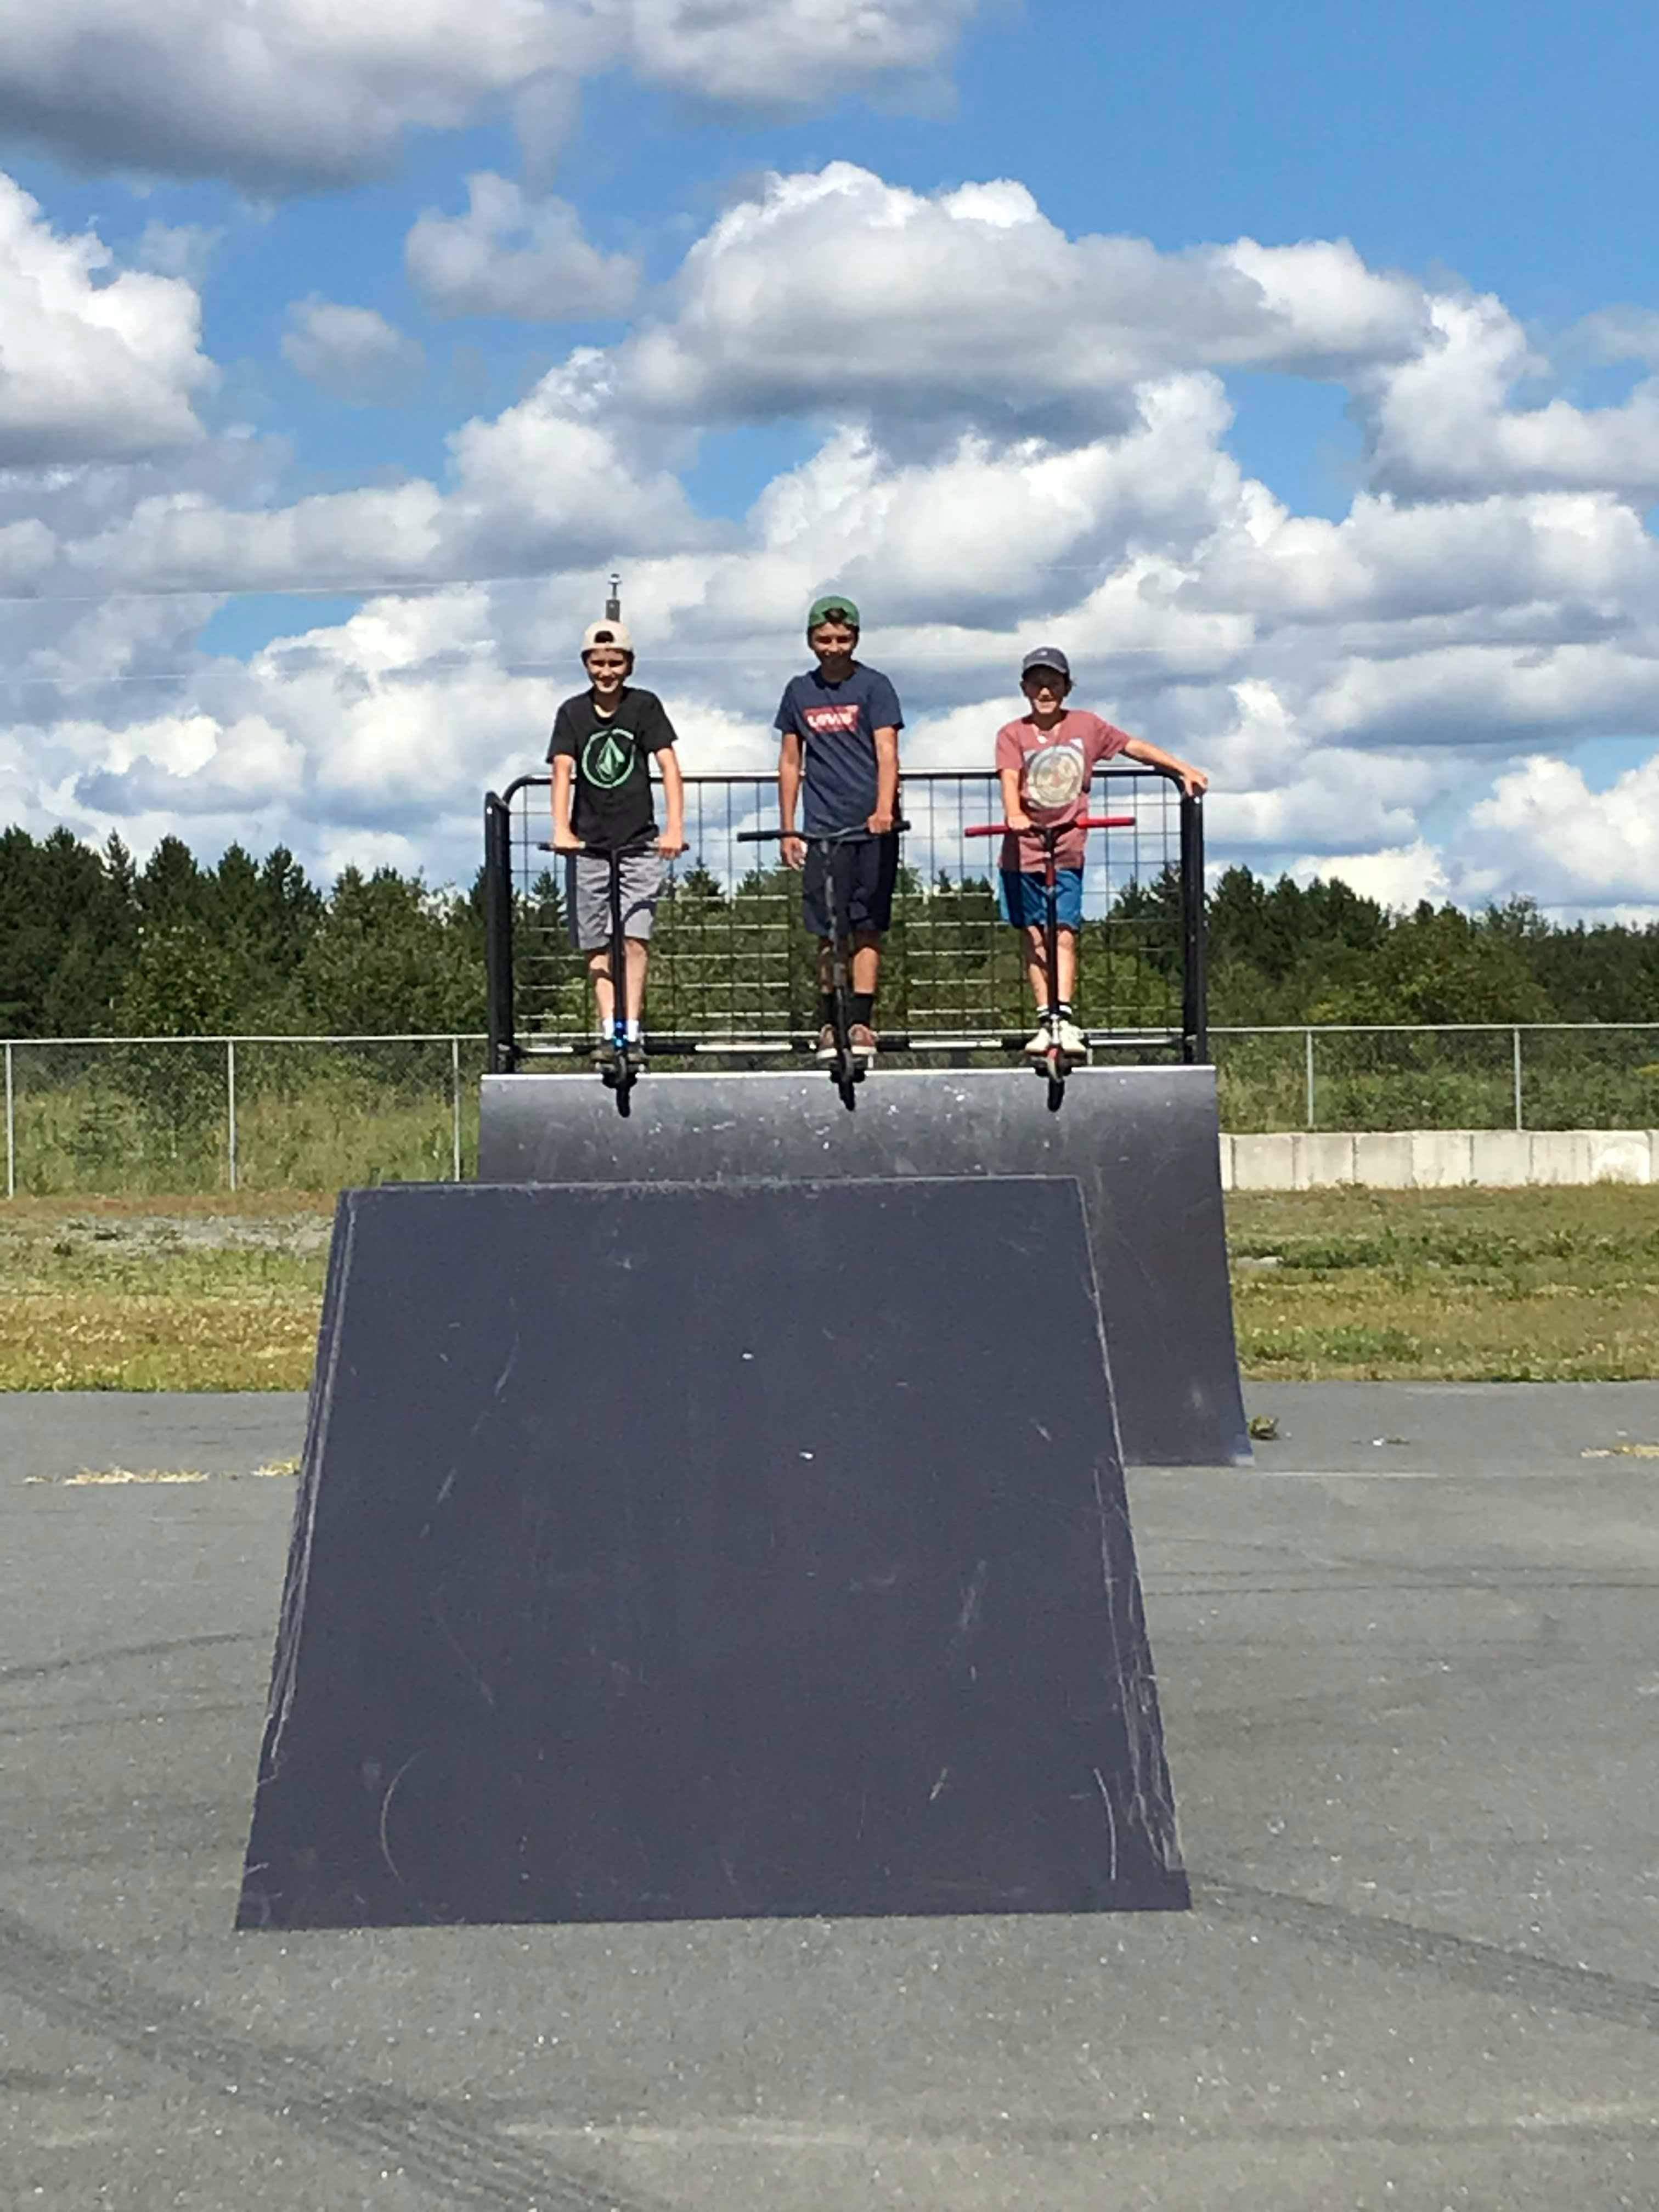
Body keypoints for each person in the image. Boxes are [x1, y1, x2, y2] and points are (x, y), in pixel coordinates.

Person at [995, 647, 1207, 1060]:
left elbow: (1133, 747)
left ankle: (1064, 1019)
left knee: (1064, 932)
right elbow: (1009, 779)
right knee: (1034, 936)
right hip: (1023, 853)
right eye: (1037, 683)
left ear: (1067, 686)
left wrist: (1181, 768)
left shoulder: (1086, 726)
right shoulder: (1012, 734)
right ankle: (1045, 1018)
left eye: (1053, 682)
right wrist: (1014, 813)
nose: (1045, 691)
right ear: (1024, 689)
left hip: (1068, 851)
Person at [548, 618, 686, 1064]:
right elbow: (564, 770)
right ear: (586, 664)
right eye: (598, 662)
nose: (606, 671)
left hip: (638, 842)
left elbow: (667, 765)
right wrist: (561, 829)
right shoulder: (572, 712)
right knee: (596, 942)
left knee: (634, 937)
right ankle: (610, 1028)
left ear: (628, 665)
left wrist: (675, 827)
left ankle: (633, 1028)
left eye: (615, 662)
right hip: (589, 845)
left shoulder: (644, 707)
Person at [774, 595, 902, 1063]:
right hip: (822, 827)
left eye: (842, 639)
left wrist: (883, 808)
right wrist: (789, 828)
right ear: (811, 641)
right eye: (825, 639)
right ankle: (831, 1021)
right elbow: (791, 761)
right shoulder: (798, 692)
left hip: (871, 826)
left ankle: (862, 1022)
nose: (833, 647)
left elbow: (887, 750)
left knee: (867, 926)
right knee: (829, 930)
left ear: (856, 640)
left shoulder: (875, 686)